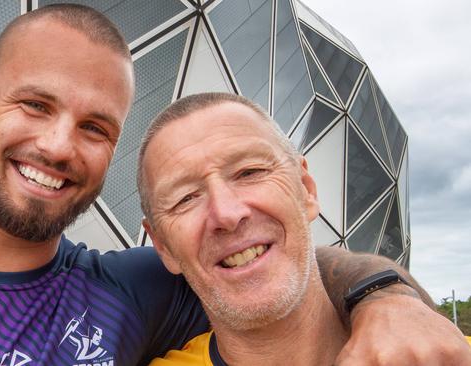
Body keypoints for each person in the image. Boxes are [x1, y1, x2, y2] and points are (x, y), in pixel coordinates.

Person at [0, 4, 466, 366]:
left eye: (96, 127)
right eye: (35, 105)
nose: (57, 145)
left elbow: (288, 263)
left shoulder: (133, 290)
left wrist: (386, 298)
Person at [139, 92, 471, 365]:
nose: (227, 214)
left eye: (249, 172)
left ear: (306, 189)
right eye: (185, 198)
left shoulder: (450, 355)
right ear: (164, 247)